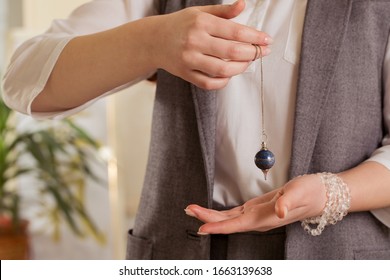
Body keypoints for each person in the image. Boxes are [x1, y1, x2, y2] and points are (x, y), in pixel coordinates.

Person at [2, 0, 390, 259]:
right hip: (180, 254)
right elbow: (24, 81)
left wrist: (331, 192)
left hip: (341, 254)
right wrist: (152, 41)